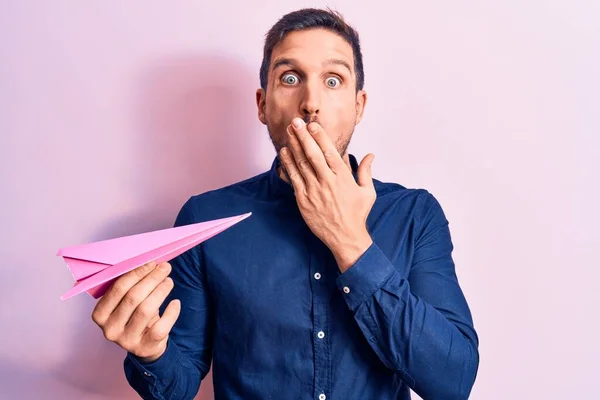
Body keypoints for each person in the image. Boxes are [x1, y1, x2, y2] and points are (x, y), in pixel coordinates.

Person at [91, 7, 479, 400]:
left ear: (359, 106)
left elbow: (452, 381)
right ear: (262, 104)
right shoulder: (204, 219)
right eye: (290, 78)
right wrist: (151, 353)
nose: (311, 102)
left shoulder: (415, 215)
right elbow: (177, 385)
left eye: (333, 79)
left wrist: (350, 242)